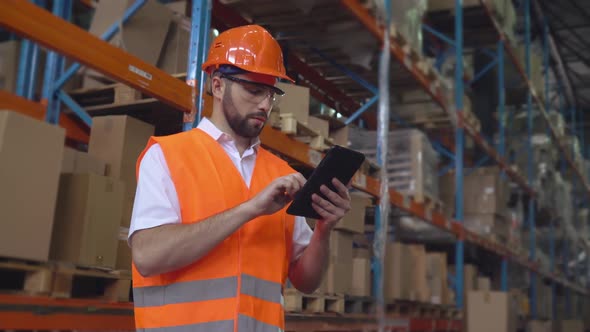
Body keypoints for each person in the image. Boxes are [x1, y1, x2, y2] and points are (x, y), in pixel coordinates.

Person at [128, 25, 352, 332]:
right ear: (218, 86)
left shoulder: (283, 174)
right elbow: (147, 256)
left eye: (271, 93)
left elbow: (306, 282)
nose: (264, 104)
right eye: (253, 90)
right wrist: (251, 209)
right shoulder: (167, 155)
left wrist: (324, 229)